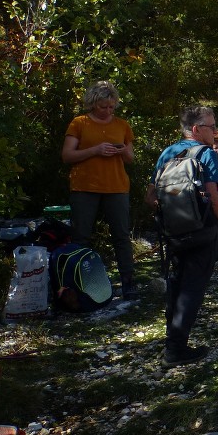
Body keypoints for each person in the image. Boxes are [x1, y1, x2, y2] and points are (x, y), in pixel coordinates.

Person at [145, 106, 218, 367]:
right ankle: (176, 350)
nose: (215, 132)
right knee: (193, 288)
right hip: (202, 230)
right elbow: (214, 196)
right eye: (211, 127)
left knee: (177, 284)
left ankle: (172, 342)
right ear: (196, 129)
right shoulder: (206, 154)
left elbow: (150, 197)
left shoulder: (167, 153)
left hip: (173, 233)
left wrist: (169, 218)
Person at [61, 80, 137, 299]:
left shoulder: (122, 125)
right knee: (81, 237)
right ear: (93, 103)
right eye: (104, 106)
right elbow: (67, 156)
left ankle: (128, 282)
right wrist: (95, 150)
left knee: (121, 236)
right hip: (85, 187)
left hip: (117, 186)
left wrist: (122, 150)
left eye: (112, 107)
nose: (108, 111)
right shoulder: (79, 123)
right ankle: (77, 285)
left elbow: (131, 158)